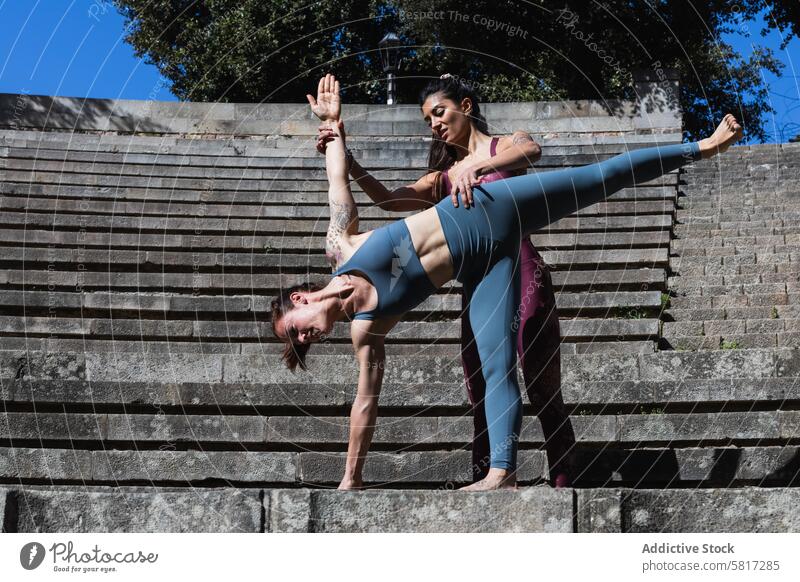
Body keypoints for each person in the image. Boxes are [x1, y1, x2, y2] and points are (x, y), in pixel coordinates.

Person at [273, 73, 744, 491]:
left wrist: (334, 127)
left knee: (600, 177)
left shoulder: (340, 245)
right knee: (493, 365)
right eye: (302, 342)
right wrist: (350, 479)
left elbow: (336, 181)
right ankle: (503, 471)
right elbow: (364, 405)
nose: (306, 337)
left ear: (300, 298)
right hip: (484, 268)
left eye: (295, 329)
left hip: (490, 207)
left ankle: (701, 147)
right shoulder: (366, 330)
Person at [313, 73, 575, 487]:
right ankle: (491, 476)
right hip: (478, 283)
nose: (434, 124)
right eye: (428, 119)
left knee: (541, 381)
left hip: (524, 271)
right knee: (479, 380)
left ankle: (564, 480)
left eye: (439, 112)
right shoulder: (442, 178)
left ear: (465, 107)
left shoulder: (501, 145)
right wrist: (347, 154)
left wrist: (479, 166)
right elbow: (387, 199)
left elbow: (531, 149)